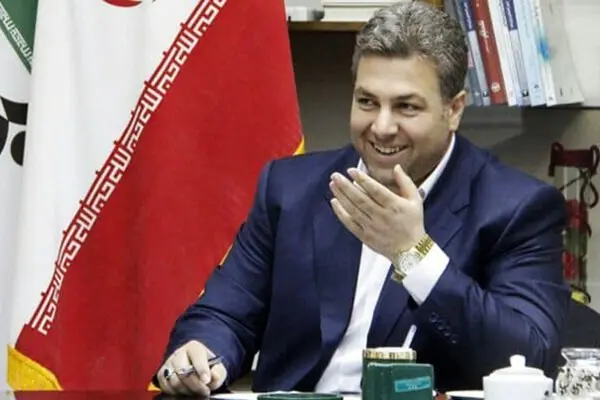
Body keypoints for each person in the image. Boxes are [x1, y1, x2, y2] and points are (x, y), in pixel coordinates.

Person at [154, 1, 570, 396]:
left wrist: (414, 254)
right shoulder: (290, 188)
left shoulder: (516, 208)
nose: (381, 127)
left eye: (406, 107)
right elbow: (224, 313)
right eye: (367, 102)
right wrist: (203, 353)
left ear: (454, 109)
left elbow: (530, 358)